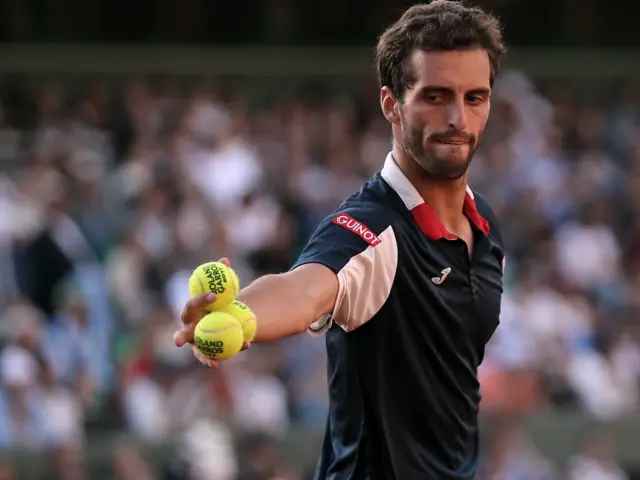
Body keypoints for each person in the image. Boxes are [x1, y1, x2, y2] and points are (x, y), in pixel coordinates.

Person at [175, 1, 507, 479]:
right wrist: (241, 317)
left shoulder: (485, 225)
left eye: (475, 97)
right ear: (391, 104)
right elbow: (307, 288)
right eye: (435, 97)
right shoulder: (375, 229)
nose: (458, 117)